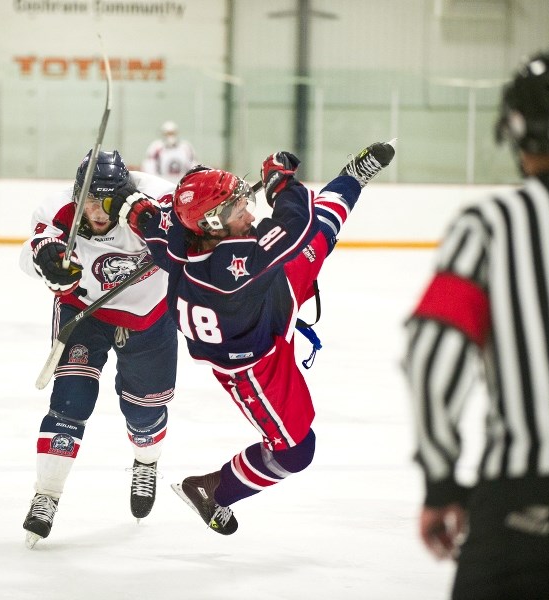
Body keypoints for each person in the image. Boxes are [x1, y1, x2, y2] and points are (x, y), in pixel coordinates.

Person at [403, 46, 549, 599]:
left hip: (526, 499)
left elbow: (432, 353)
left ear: (515, 131)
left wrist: (442, 482)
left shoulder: (490, 226)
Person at [107, 140, 395, 534]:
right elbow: (293, 223)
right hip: (255, 365)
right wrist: (280, 183)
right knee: (296, 451)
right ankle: (212, 491)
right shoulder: (229, 267)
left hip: (262, 305)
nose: (248, 211)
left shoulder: (174, 236)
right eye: (238, 209)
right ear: (211, 225)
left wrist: (121, 196)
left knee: (321, 236)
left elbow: (144, 215)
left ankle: (351, 177)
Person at [19, 150, 179, 549]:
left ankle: (146, 461)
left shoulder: (156, 198)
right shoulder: (58, 210)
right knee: (69, 403)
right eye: (89, 199)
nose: (97, 210)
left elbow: (189, 241)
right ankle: (47, 495)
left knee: (143, 413)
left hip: (149, 315)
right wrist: (47, 264)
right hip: (85, 314)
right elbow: (30, 253)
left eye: (106, 200)